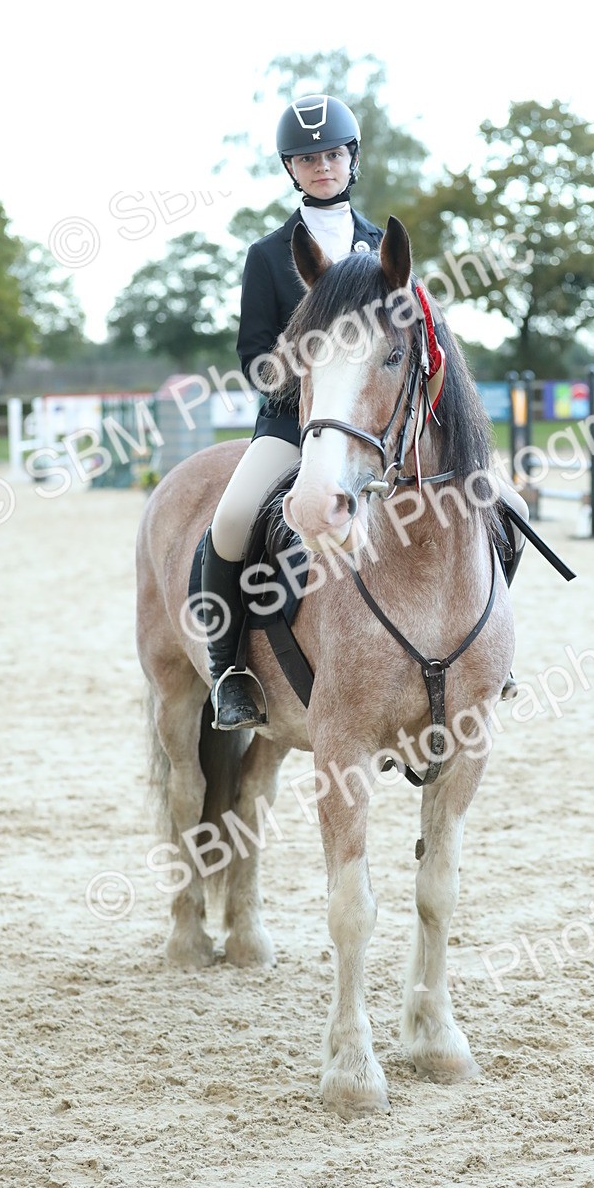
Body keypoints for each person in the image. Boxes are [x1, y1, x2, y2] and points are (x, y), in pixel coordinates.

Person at [200, 94, 385, 729]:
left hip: (377, 426)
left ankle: (479, 655)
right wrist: (309, 377)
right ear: (291, 168)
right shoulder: (266, 255)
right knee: (230, 521)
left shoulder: (383, 246)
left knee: (487, 500)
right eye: (308, 159)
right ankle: (229, 671)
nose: (323, 167)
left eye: (332, 154)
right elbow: (254, 355)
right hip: (292, 424)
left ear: (350, 159)